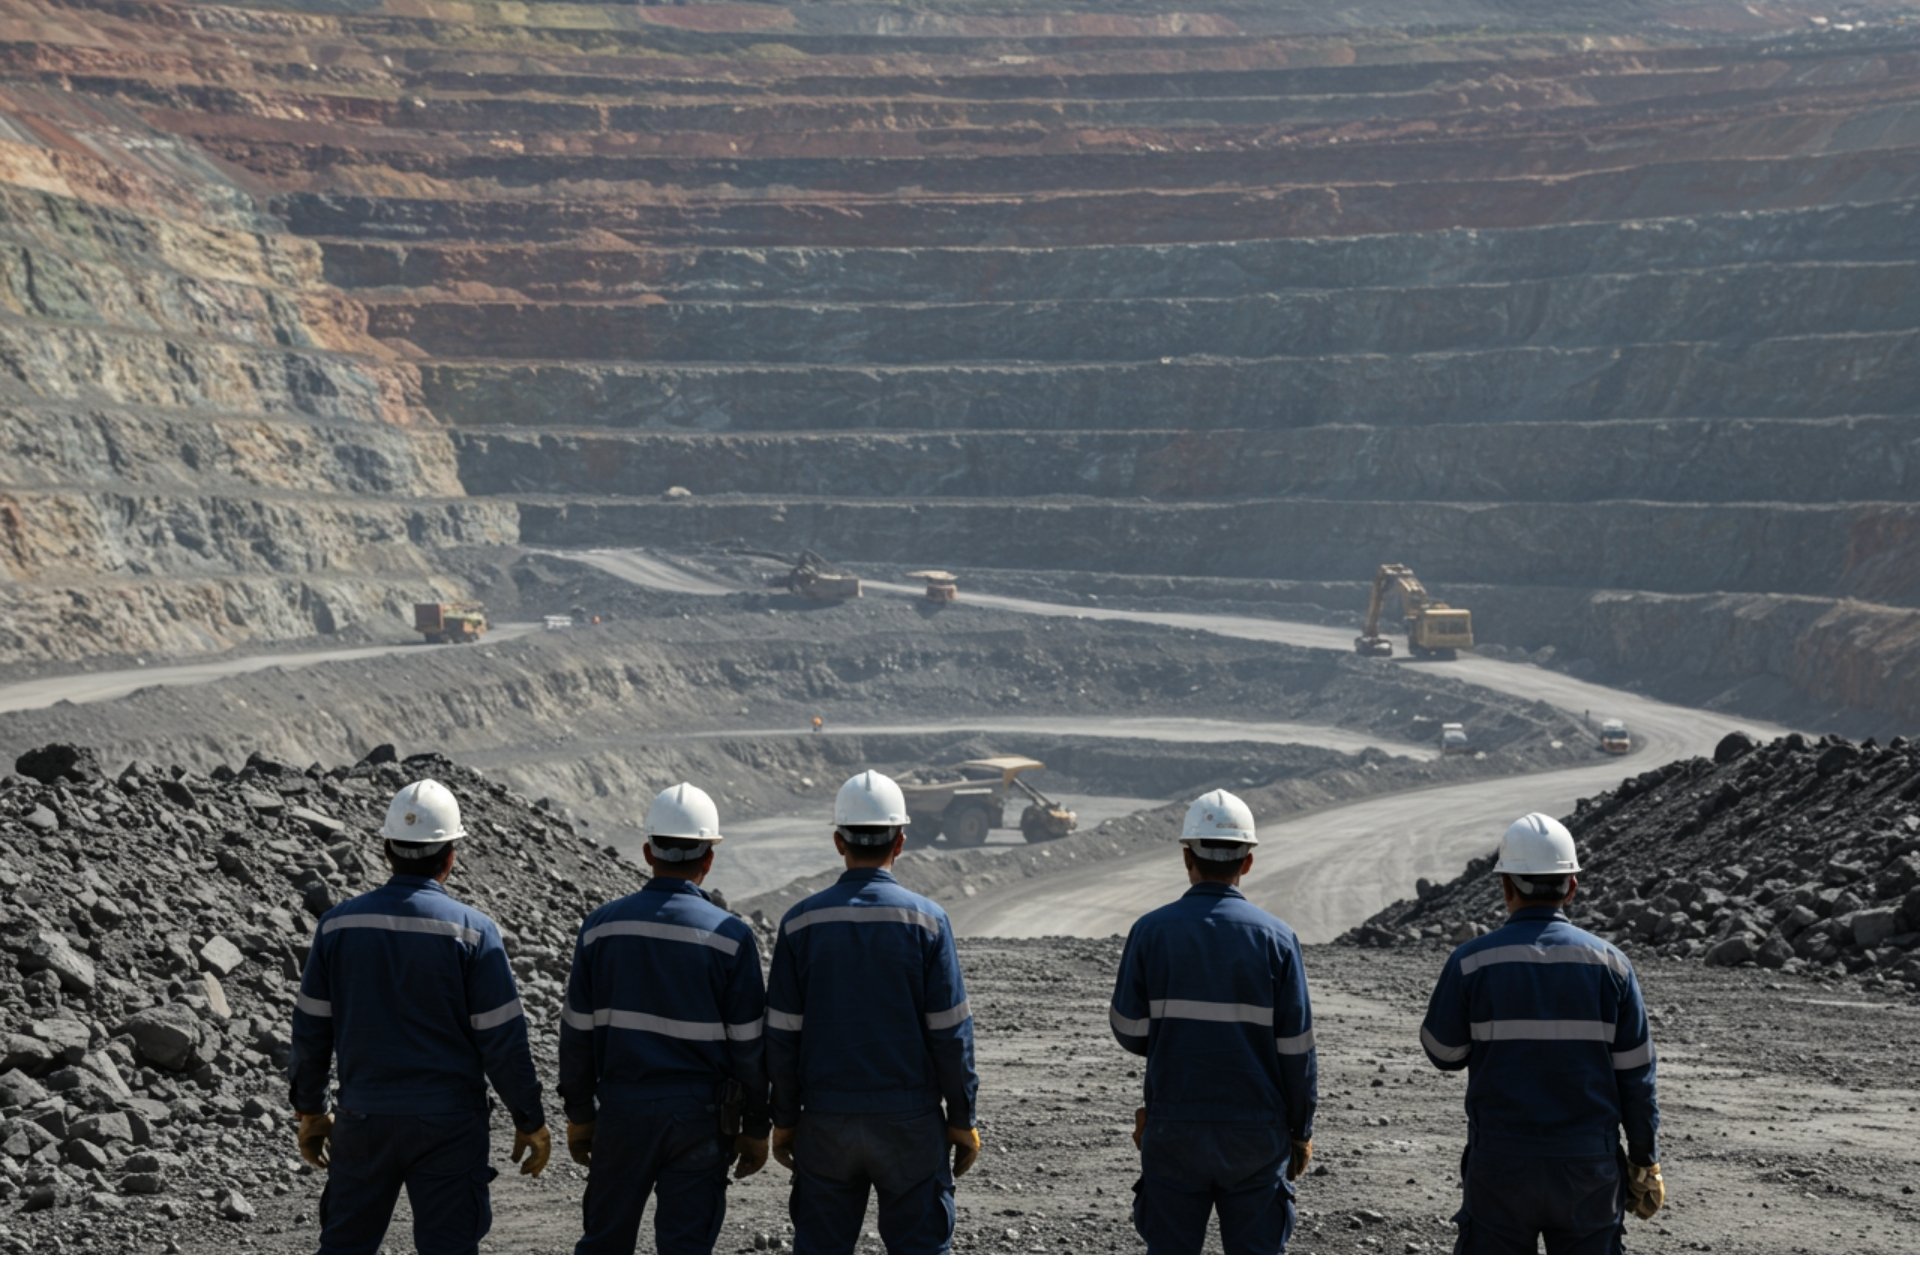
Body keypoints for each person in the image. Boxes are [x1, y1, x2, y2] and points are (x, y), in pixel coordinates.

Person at [288, 779, 550, 1254]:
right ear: (450, 855)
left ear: (387, 848)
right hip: (448, 1126)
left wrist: (311, 1110)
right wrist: (529, 1118)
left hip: (363, 1119)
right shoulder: (474, 932)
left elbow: (311, 1030)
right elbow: (502, 1041)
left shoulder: (338, 925)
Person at [1420, 812, 1663, 1254]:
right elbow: (1637, 1078)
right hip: (1588, 1168)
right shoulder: (1612, 965)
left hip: (1501, 1166)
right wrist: (1645, 1159)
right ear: (1571, 886)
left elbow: (1444, 1053)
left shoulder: (1471, 962)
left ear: (1505, 887)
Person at [765, 769, 980, 1254]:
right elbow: (950, 1032)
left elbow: (781, 1034)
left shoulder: (801, 923)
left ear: (839, 841)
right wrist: (962, 1117)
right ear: (900, 841)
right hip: (909, 1126)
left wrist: (784, 1118)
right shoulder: (927, 921)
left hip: (825, 1123)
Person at [559, 782, 770, 1254]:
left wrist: (579, 1114)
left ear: (647, 852)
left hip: (622, 1113)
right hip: (699, 1119)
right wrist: (757, 1124)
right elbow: (749, 1046)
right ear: (709, 858)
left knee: (604, 1246)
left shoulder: (601, 928)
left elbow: (576, 1032)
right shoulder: (730, 937)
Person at [1110, 789, 1317, 1254]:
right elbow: (1297, 1051)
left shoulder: (1151, 931)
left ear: (1187, 856)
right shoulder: (1278, 939)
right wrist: (1300, 1132)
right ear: (1248, 861)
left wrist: (1177, 1036)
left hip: (1174, 1129)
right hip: (1257, 1137)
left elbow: (1130, 1030)